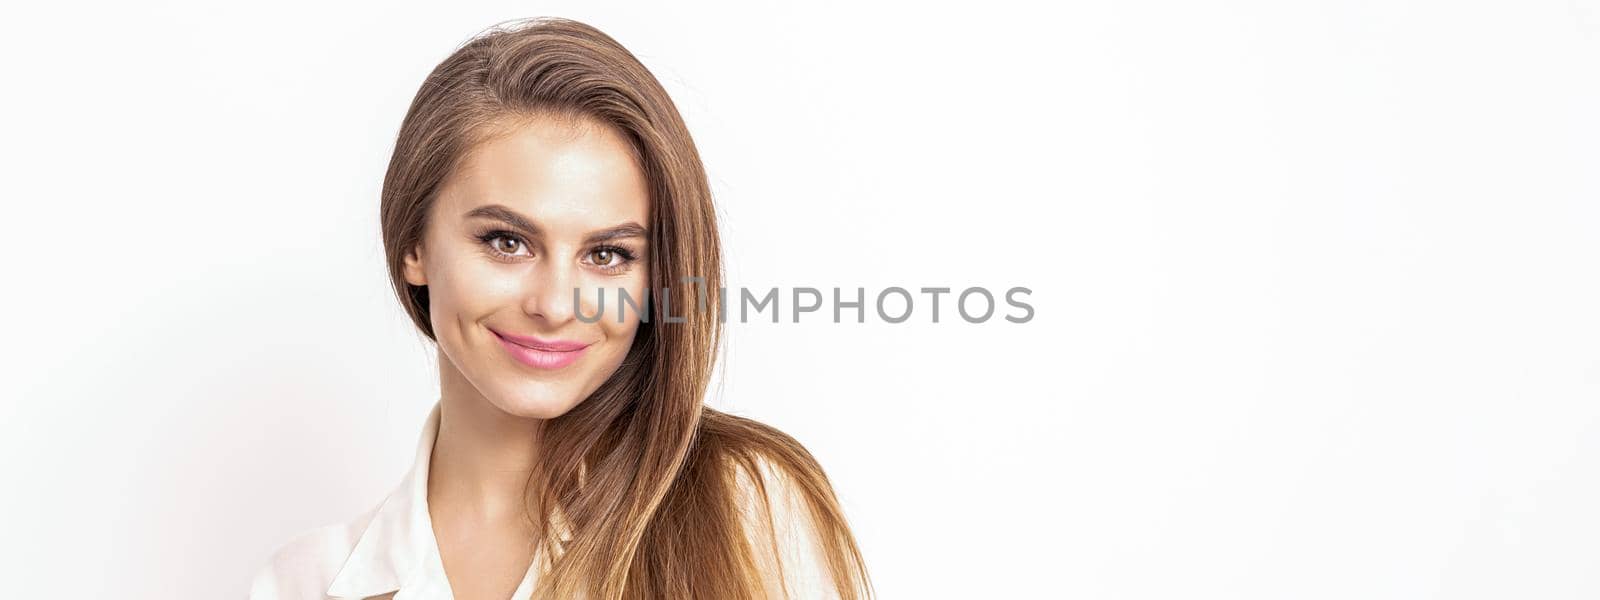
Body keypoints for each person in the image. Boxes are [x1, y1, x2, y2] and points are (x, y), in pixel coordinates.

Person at [248, 17, 872, 600]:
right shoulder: (301, 583)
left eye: (607, 255)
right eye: (506, 242)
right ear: (413, 243)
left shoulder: (747, 505)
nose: (553, 304)